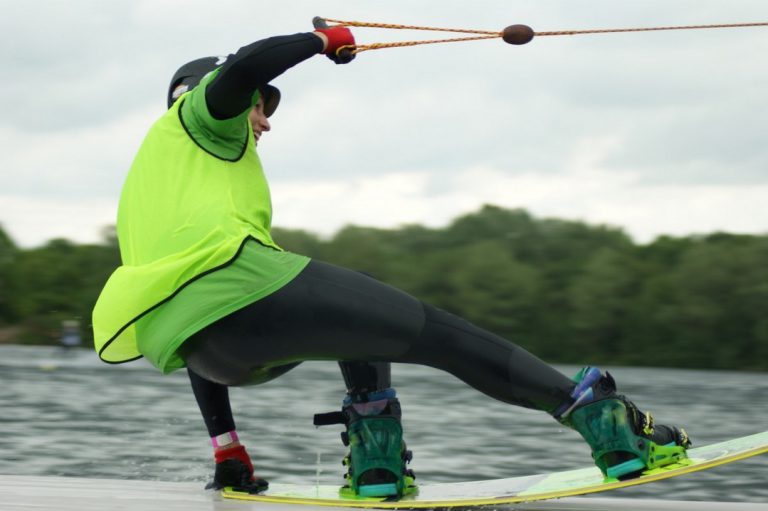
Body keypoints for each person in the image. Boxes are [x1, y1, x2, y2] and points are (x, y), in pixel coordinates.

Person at [92, 23, 691, 498]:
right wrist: (322, 42)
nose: (266, 120)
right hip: (250, 293)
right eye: (261, 107)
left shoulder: (152, 183)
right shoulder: (202, 117)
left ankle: (377, 466)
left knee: (356, 311)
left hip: (213, 353)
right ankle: (607, 428)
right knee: (443, 337)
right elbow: (247, 65)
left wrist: (227, 450)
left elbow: (198, 307)